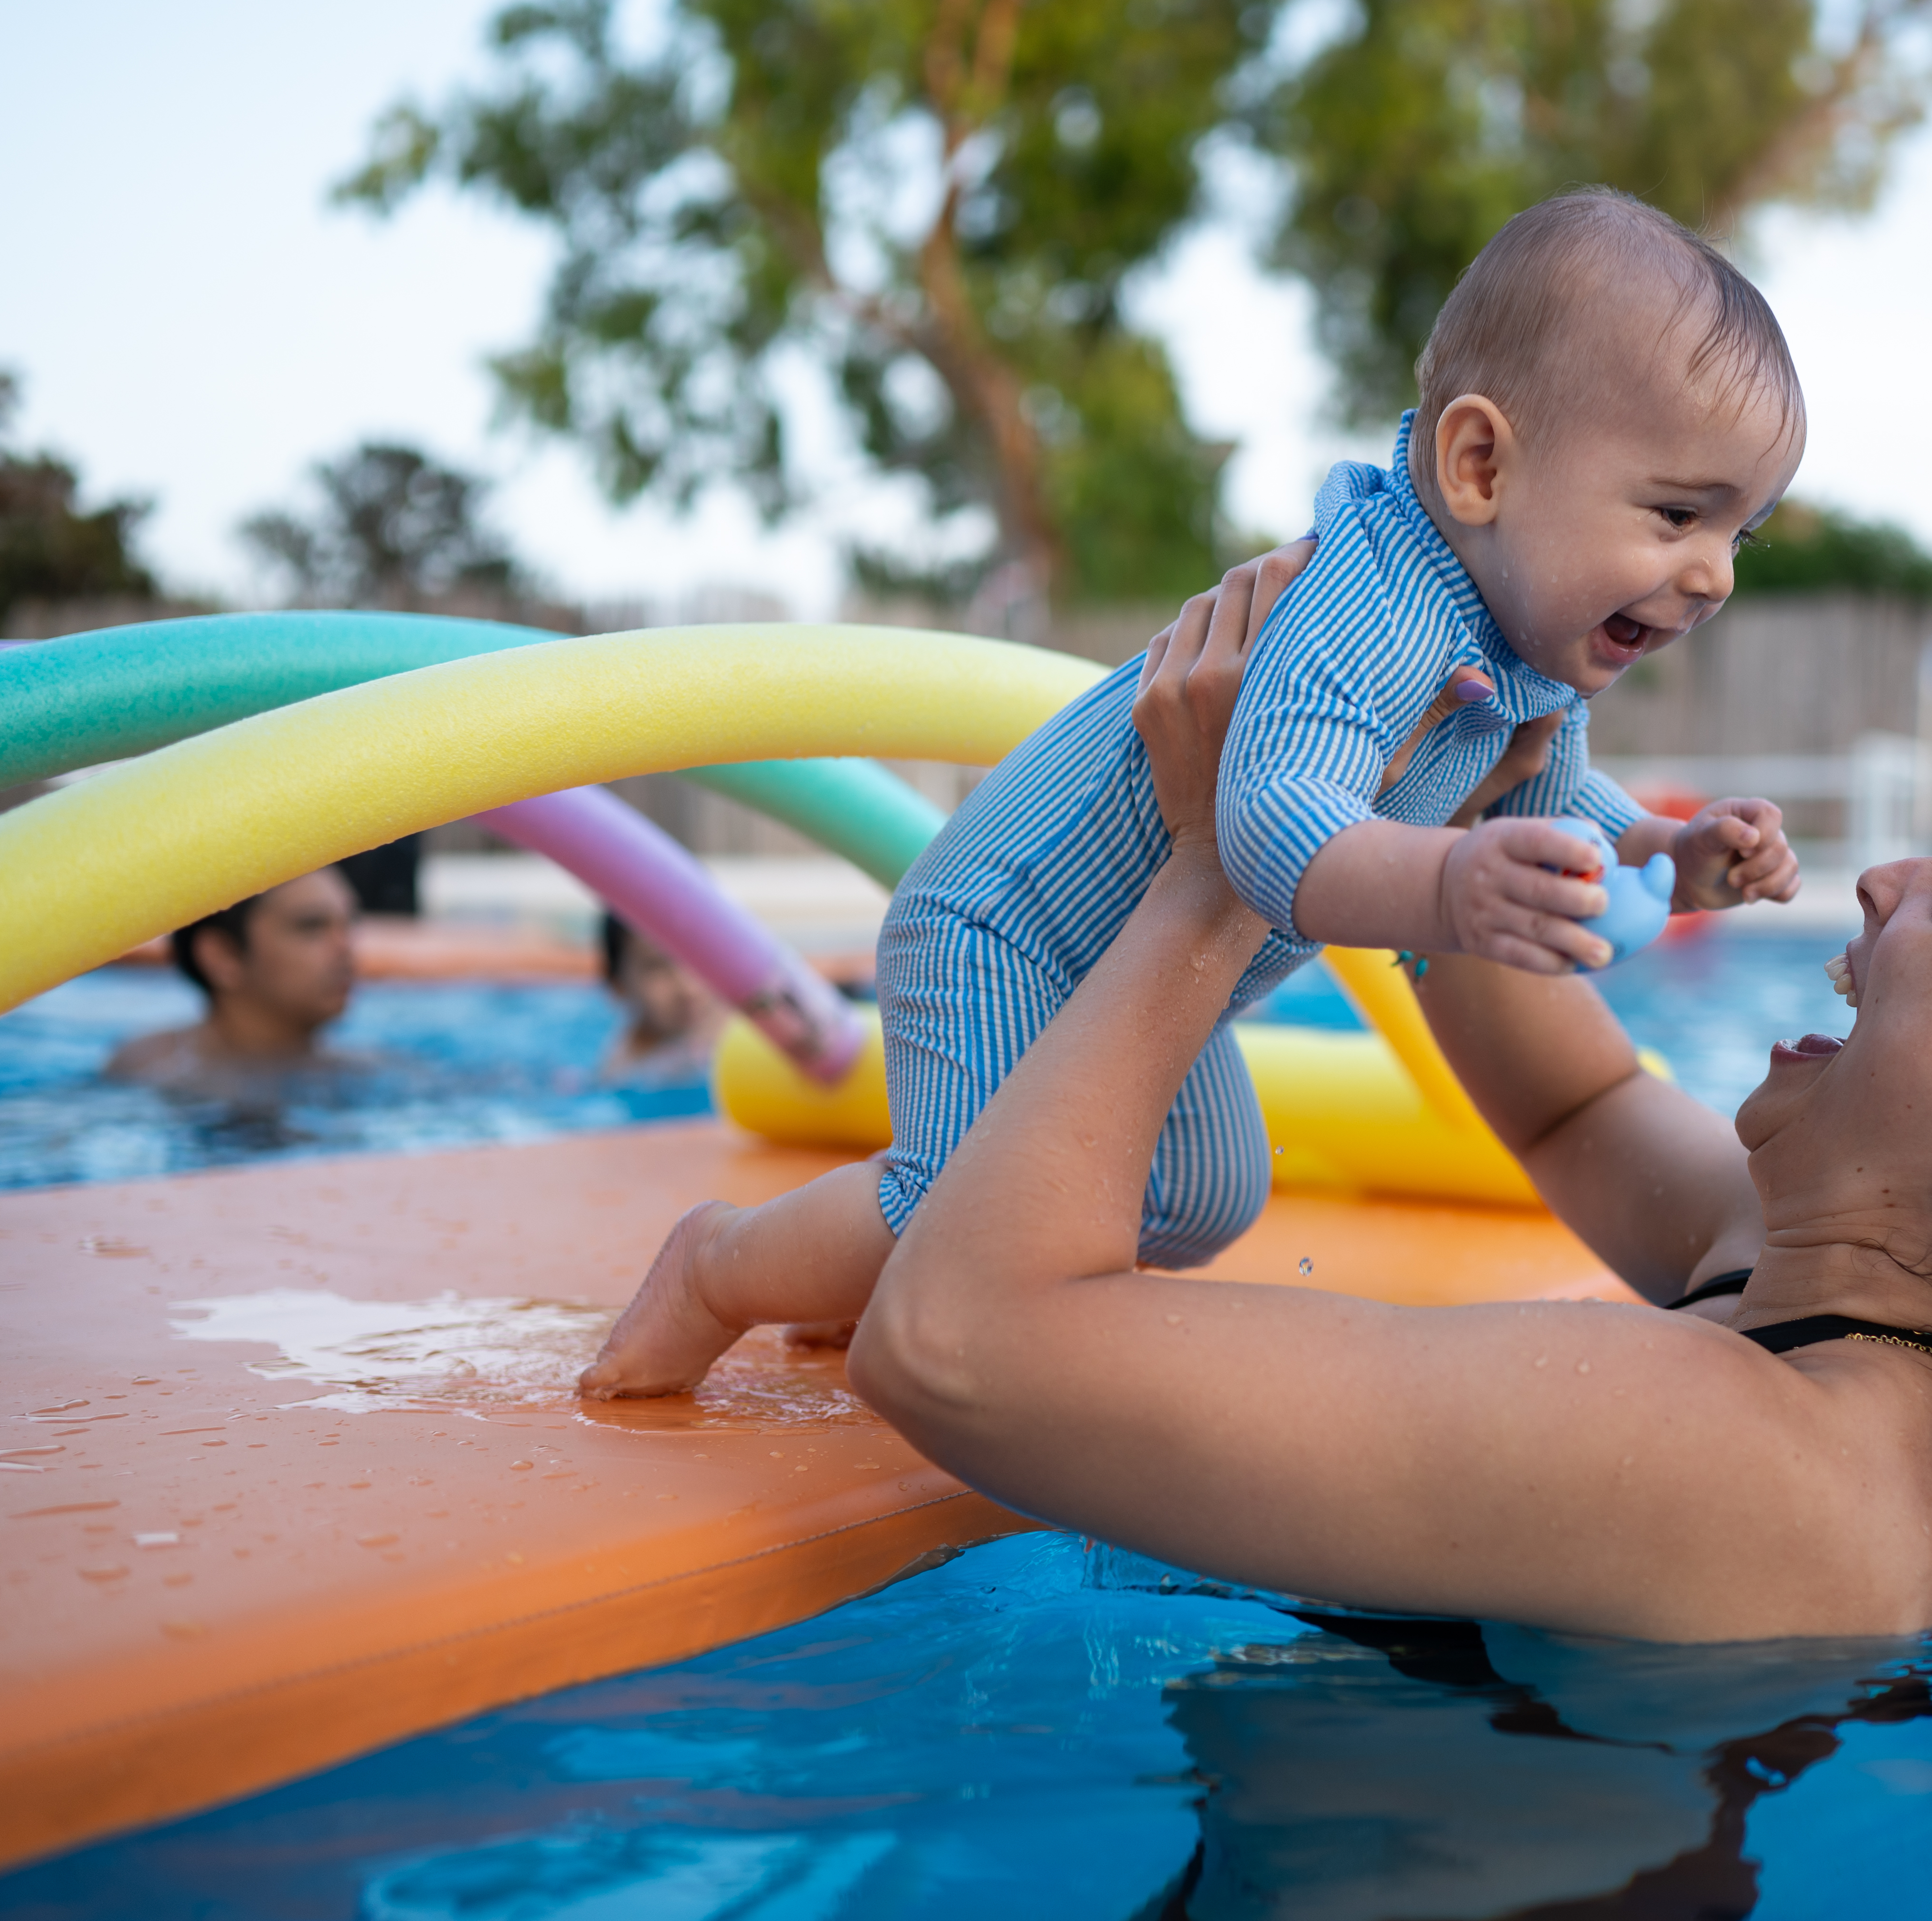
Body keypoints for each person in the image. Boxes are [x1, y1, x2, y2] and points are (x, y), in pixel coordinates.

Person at [831, 575, 1932, 1644]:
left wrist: (1212, 873)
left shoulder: (1723, 1455)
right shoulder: (1852, 1324)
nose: (1878, 883)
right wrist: (1484, 778)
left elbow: (956, 1343)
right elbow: (1568, 1100)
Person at [580, 188, 1808, 1396]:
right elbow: (1269, 825)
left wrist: (1670, 845)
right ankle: (720, 1266)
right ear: (1479, 462)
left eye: (1738, 536)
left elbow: (1556, 806)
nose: (1712, 577)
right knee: (961, 1195)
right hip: (1010, 922)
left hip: (1143, 967)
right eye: (1677, 513)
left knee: (1199, 1192)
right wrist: (1447, 880)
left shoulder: (1533, 652)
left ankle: (849, 1284)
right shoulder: (1372, 606)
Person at [106, 867, 361, 1089]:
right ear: (222, 956)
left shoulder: (368, 1073)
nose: (346, 948)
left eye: (349, 923)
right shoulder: (154, 1071)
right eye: (311, 926)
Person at [595, 913, 724, 1084]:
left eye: (697, 957)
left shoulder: (741, 1015)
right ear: (618, 986)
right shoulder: (625, 1074)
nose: (689, 988)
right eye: (656, 967)